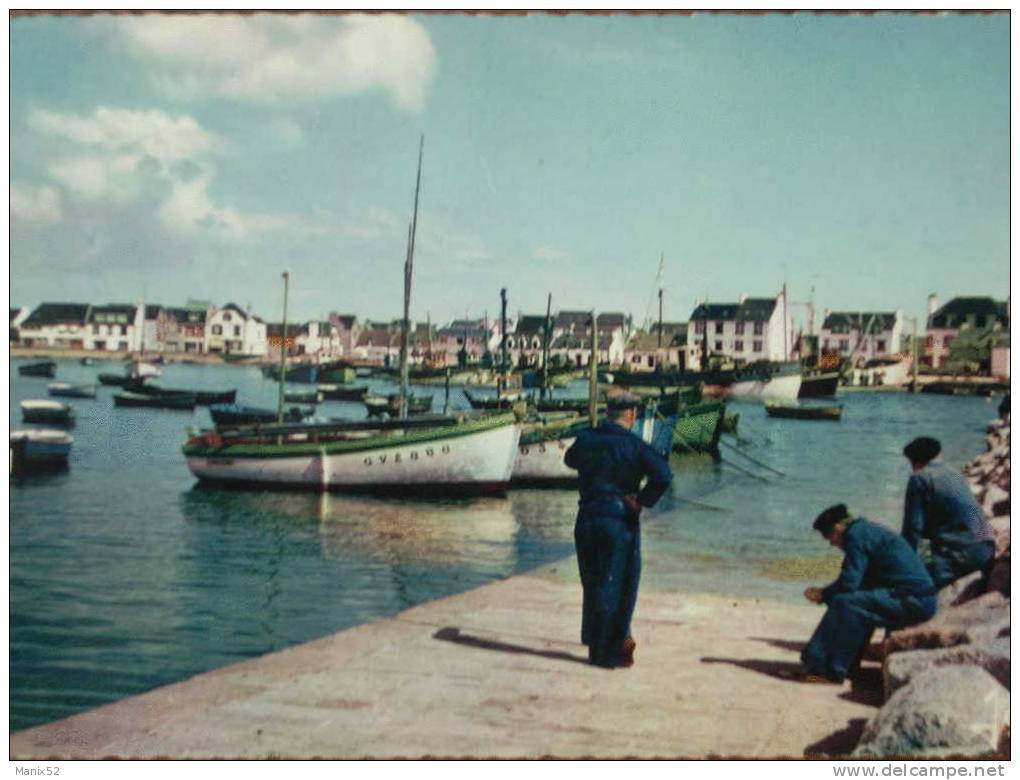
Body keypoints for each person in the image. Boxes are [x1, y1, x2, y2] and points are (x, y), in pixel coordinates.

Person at [563, 391, 672, 669]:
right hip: (619, 518)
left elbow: (570, 459)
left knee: (593, 582)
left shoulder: (588, 438)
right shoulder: (634, 445)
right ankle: (609, 650)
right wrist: (643, 500)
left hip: (587, 516)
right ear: (633, 415)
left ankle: (601, 640)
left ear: (607, 413)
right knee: (618, 584)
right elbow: (663, 474)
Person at [800, 504, 936, 684]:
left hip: (912, 600)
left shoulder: (856, 536)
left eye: (828, 536)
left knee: (845, 603)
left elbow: (849, 583)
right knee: (858, 603)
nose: (831, 543)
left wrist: (824, 594)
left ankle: (826, 669)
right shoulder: (866, 531)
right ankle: (845, 665)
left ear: (839, 527)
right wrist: (827, 593)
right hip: (918, 599)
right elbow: (858, 581)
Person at [901, 436, 995, 589]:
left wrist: (901, 561)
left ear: (915, 461)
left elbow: (912, 529)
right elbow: (972, 511)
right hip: (986, 549)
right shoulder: (954, 473)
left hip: (962, 557)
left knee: (902, 583)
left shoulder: (919, 478)